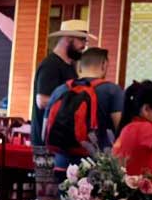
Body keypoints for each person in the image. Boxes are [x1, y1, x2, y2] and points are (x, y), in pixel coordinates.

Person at [43, 47, 123, 180]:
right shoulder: (112, 91)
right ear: (104, 64)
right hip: (98, 168)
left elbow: (44, 132)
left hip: (62, 165)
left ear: (80, 65)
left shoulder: (60, 90)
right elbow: (121, 131)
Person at [31, 19, 93, 145]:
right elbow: (42, 101)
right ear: (68, 38)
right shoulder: (50, 65)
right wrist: (75, 104)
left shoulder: (69, 66)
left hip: (59, 139)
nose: (84, 46)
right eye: (81, 40)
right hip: (46, 142)